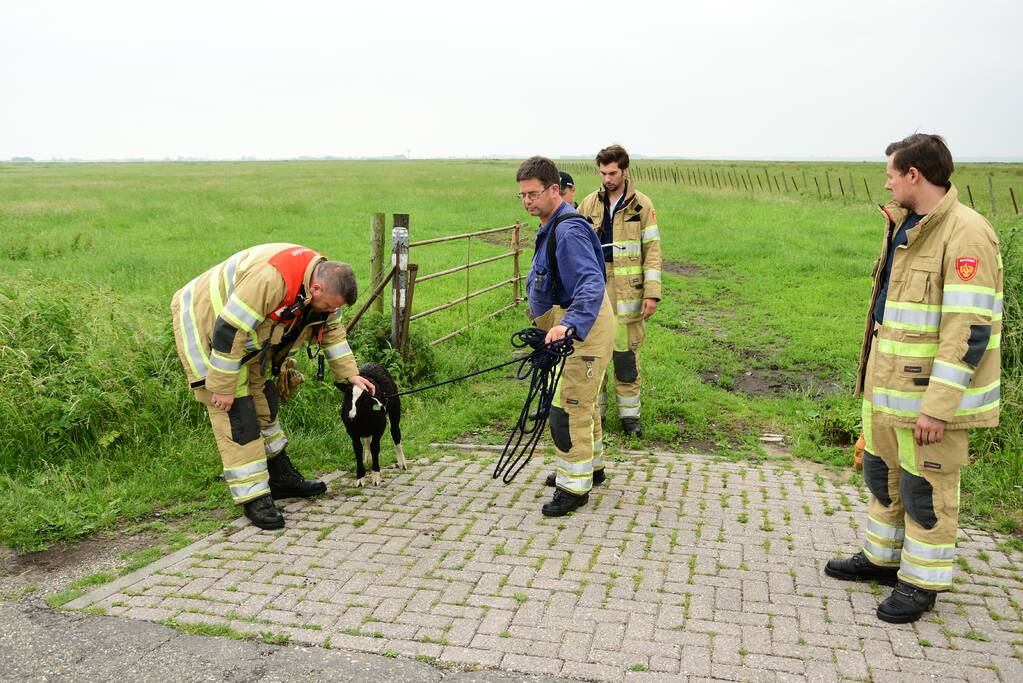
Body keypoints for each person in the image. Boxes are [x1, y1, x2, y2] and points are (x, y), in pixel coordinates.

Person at [825, 134, 1002, 624]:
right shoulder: (906, 223)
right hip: (888, 387)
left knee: (927, 490)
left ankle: (921, 583)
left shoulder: (967, 234)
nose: (886, 182)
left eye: (890, 173)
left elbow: (968, 330)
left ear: (914, 176)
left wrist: (939, 406)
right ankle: (883, 559)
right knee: (883, 475)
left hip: (929, 398)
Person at [171, 244, 376, 530]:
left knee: (264, 401)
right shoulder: (270, 279)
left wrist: (350, 374)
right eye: (331, 306)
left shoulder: (324, 287)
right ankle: (253, 497)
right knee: (237, 414)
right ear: (316, 289)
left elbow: (331, 332)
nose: (333, 311)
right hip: (206, 327)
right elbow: (229, 329)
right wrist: (221, 385)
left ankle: (279, 477)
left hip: (246, 340)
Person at [517, 156, 615, 516]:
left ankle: (574, 488)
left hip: (583, 329)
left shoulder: (568, 230)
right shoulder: (551, 224)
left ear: (554, 190)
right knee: (583, 401)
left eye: (533, 194)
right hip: (572, 326)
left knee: (566, 407)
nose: (527, 201)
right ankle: (592, 466)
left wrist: (568, 325)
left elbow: (591, 283)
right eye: (522, 196)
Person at [578, 145, 662, 438]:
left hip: (628, 294)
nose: (607, 178)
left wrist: (652, 293)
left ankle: (630, 419)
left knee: (626, 357)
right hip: (594, 289)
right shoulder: (588, 204)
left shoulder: (642, 206)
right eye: (603, 173)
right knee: (593, 353)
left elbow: (652, 251)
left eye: (612, 172)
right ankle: (594, 416)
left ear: (625, 170)